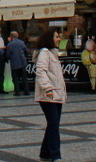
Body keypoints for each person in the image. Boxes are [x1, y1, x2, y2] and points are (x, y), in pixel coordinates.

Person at [34, 29, 66, 162]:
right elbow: (40, 71)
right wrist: (48, 88)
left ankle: (45, 154)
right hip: (49, 95)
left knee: (53, 124)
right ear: (49, 38)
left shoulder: (53, 53)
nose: (59, 39)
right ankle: (55, 156)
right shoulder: (45, 53)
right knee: (53, 125)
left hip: (56, 94)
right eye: (57, 37)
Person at [4, 31, 28, 96]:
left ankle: (17, 91)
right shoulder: (22, 42)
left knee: (15, 78)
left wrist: (8, 59)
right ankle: (26, 90)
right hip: (22, 62)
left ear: (12, 36)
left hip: (14, 63)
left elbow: (8, 54)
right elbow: (26, 51)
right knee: (24, 77)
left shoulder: (10, 45)